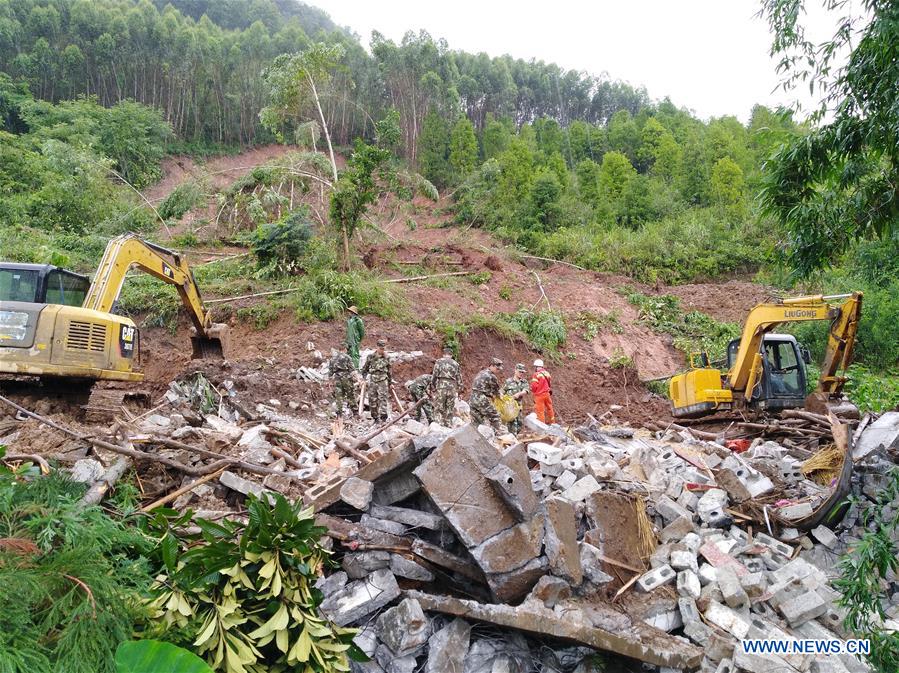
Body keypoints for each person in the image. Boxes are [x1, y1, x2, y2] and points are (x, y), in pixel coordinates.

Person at [469, 357, 505, 433]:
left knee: (477, 419)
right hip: (481, 399)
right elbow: (497, 392)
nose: (498, 371)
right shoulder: (492, 376)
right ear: (491, 365)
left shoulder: (481, 372)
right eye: (497, 368)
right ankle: (500, 434)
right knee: (495, 415)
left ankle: (475, 435)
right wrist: (501, 398)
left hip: (472, 398)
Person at [429, 346, 463, 427]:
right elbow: (459, 379)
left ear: (444, 354)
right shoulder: (456, 364)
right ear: (451, 355)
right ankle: (448, 425)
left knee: (439, 407)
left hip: (441, 387)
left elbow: (434, 375)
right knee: (449, 408)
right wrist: (460, 391)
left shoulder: (439, 362)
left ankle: (438, 425)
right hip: (452, 388)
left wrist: (432, 386)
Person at [361, 338, 392, 422]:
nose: (382, 350)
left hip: (383, 380)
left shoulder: (387, 357)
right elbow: (364, 369)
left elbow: (389, 371)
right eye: (381, 348)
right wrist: (363, 379)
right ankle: (375, 418)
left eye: (384, 349)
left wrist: (390, 382)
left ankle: (383, 418)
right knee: (372, 400)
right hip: (373, 380)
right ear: (377, 347)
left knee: (383, 400)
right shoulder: (371, 357)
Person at [329, 346, 358, 417]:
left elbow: (330, 372)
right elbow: (352, 370)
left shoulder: (333, 358)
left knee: (338, 396)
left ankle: (339, 413)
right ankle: (355, 412)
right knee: (350, 395)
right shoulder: (347, 357)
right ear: (345, 349)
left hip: (337, 378)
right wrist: (357, 379)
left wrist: (330, 382)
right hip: (346, 378)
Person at [503, 363, 530, 434]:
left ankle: (513, 437)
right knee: (512, 426)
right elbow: (502, 391)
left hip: (518, 407)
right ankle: (512, 440)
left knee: (519, 425)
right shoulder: (508, 381)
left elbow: (526, 390)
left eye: (522, 372)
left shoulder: (524, 382)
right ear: (515, 371)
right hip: (510, 407)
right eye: (520, 371)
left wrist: (519, 394)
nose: (521, 373)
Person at [530, 358, 555, 424]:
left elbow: (534, 386)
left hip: (539, 396)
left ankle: (542, 426)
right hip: (547, 394)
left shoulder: (536, 374)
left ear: (536, 366)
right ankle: (553, 423)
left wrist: (533, 391)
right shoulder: (547, 373)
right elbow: (549, 383)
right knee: (550, 408)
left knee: (540, 411)